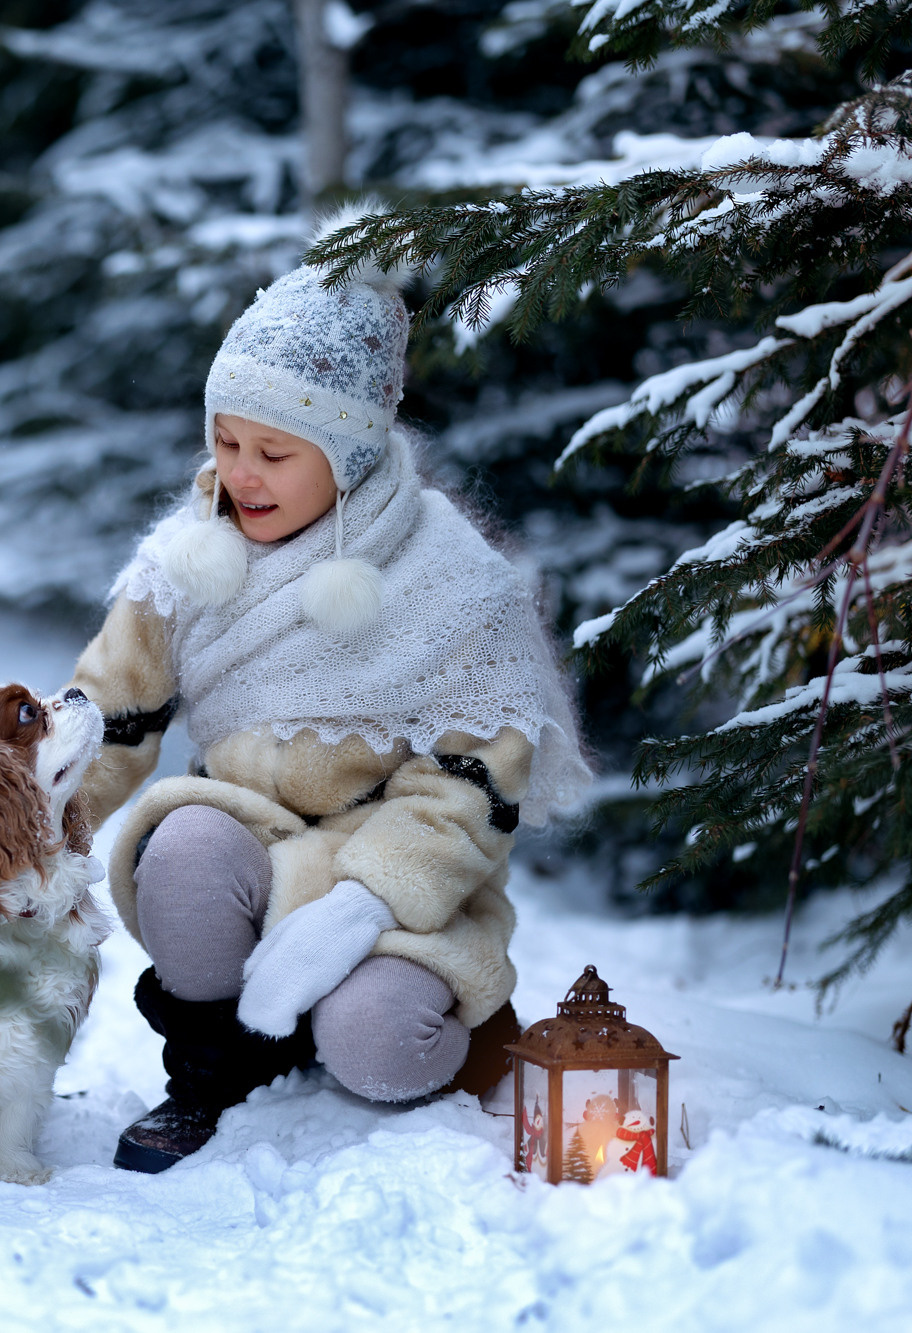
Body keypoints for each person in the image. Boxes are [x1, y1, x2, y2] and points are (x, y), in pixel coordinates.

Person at [63, 229, 591, 1173]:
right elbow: (107, 714)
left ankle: (425, 1023)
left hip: (390, 876)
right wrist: (25, 825)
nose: (240, 474)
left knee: (379, 1047)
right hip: (249, 841)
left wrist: (359, 906)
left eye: (274, 451)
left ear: (348, 455)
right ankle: (216, 1069)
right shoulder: (190, 558)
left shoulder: (452, 582)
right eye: (226, 441)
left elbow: (472, 788)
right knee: (181, 849)